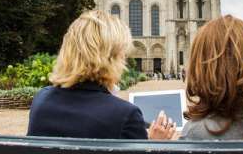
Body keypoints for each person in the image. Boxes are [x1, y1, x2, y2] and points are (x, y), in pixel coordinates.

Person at [27, 10, 176, 140]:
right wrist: (155, 144)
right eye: (122, 53)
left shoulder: (42, 100)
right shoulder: (126, 115)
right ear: (112, 57)